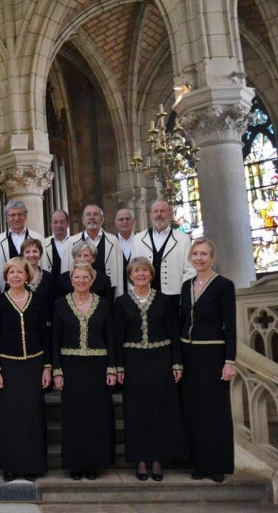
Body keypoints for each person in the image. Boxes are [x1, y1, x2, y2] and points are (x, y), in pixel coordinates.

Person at [113, 257, 187, 482]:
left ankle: (157, 459)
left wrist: (177, 362)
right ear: (130, 275)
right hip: (133, 361)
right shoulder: (121, 302)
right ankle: (140, 460)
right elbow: (117, 337)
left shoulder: (165, 301)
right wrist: (118, 367)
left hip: (160, 359)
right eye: (136, 270)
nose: (141, 274)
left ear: (151, 274)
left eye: (145, 270)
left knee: (159, 409)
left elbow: (173, 332)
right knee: (136, 411)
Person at [52, 261, 117, 481]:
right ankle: (75, 463)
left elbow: (111, 338)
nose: (81, 281)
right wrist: (57, 370)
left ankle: (93, 463)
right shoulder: (60, 304)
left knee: (96, 416)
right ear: (71, 280)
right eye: (77, 277)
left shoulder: (104, 304)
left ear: (92, 280)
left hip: (97, 368)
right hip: (70, 367)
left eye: (85, 277)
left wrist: (112, 368)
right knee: (74, 417)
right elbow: (55, 339)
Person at [0, 257, 51, 482]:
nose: (16, 276)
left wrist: (47, 367)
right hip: (7, 366)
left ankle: (33, 465)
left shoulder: (38, 300)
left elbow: (45, 336)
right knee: (9, 417)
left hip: (34, 364)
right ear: (6, 277)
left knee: (32, 416)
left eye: (20, 272)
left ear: (27, 275)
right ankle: (11, 466)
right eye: (11, 272)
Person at [179, 237, 236, 483]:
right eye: (196, 254)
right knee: (193, 409)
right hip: (189, 354)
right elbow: (182, 321)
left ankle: (217, 464)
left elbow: (231, 326)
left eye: (204, 254)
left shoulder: (224, 285)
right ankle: (199, 463)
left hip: (213, 353)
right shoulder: (186, 285)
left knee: (215, 410)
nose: (199, 258)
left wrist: (229, 360)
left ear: (212, 257)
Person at [133, 200, 195, 309]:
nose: (159, 214)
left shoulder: (183, 239)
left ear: (170, 215)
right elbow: (132, 269)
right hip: (145, 296)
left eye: (163, 211)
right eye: (155, 211)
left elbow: (190, 270)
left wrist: (184, 295)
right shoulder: (138, 239)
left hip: (174, 296)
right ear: (151, 215)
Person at [62, 205, 123, 297]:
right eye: (88, 214)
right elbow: (65, 271)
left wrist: (119, 295)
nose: (91, 217)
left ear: (102, 219)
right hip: (78, 291)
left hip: (106, 291)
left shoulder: (113, 241)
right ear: (83, 219)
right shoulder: (71, 242)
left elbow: (119, 271)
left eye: (95, 214)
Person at [0, 200, 43, 287]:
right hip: (5, 290)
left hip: (33, 288)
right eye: (12, 215)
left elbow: (43, 265)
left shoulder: (37, 238)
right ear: (7, 218)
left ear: (25, 216)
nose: (16, 218)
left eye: (19, 214)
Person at [21, 238, 55, 316]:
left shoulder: (49, 277)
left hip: (44, 324)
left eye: (35, 251)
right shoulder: (16, 277)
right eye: (27, 252)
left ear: (41, 254)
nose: (31, 255)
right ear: (23, 255)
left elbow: (52, 304)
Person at [41, 210, 70, 276]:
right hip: (50, 285)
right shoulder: (43, 244)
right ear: (51, 225)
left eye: (62, 222)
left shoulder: (76, 243)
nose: (59, 225)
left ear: (68, 223)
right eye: (55, 222)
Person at [115, 208, 136, 293]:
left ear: (133, 221)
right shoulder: (111, 242)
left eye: (127, 219)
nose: (124, 222)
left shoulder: (142, 240)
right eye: (121, 219)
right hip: (118, 290)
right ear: (116, 223)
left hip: (138, 288)